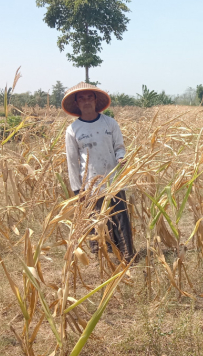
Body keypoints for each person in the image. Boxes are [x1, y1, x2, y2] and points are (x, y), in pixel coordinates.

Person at [62, 82, 136, 263]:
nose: (86, 101)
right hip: (90, 183)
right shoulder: (72, 130)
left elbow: (119, 147)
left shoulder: (110, 123)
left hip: (113, 179)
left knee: (120, 217)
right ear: (77, 103)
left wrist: (121, 158)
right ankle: (106, 258)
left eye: (89, 97)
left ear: (95, 101)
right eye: (82, 98)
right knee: (97, 221)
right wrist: (78, 189)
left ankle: (128, 256)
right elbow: (72, 162)